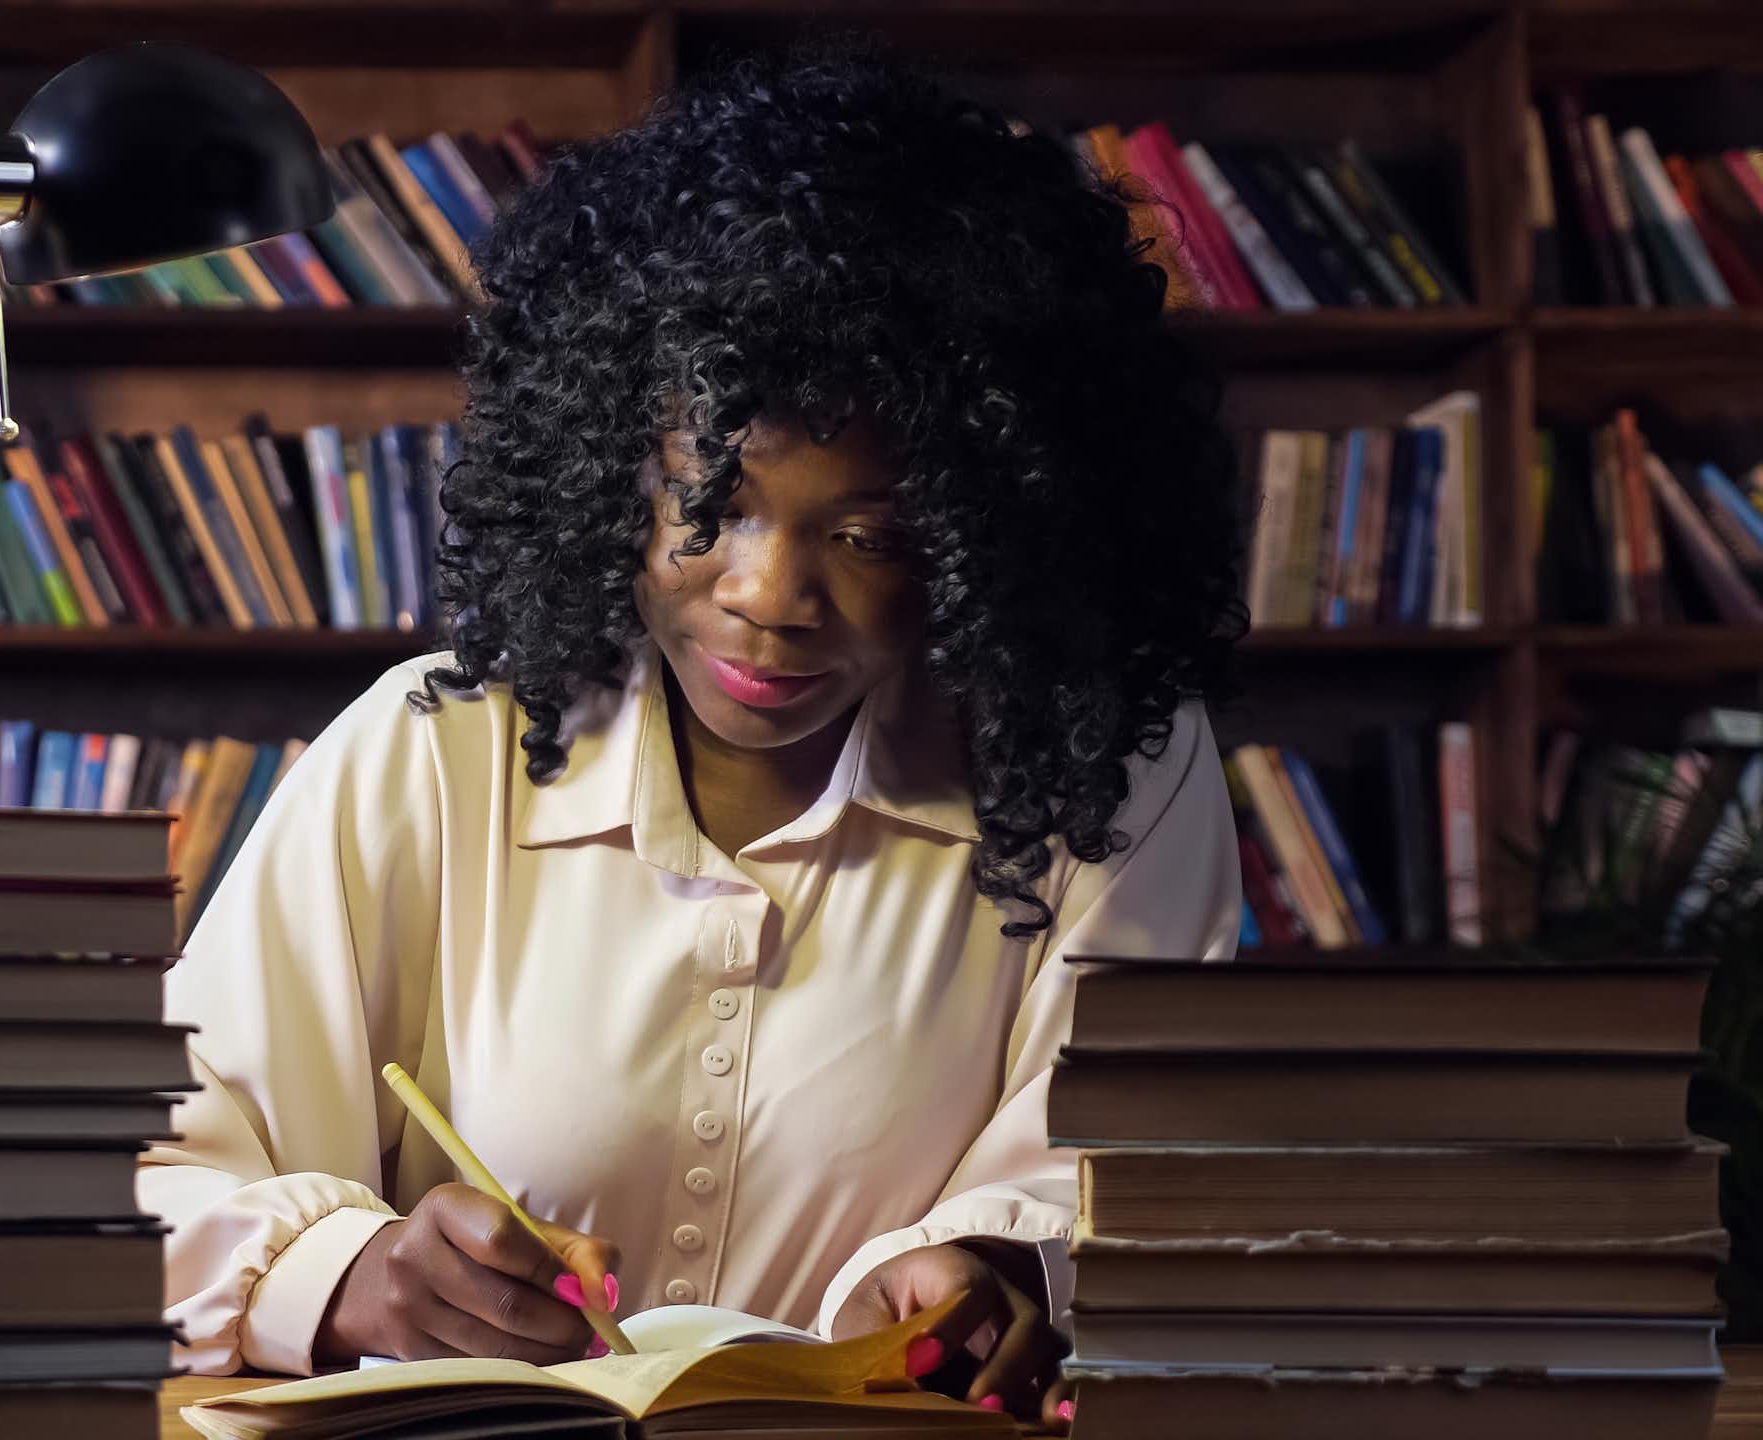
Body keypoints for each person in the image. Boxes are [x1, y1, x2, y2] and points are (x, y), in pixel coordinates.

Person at [138, 41, 1245, 1429]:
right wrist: (346, 1273)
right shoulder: (428, 754)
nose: (769, 599)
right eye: (705, 507)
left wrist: (990, 1266)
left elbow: (1126, 1171)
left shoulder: (1117, 772)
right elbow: (152, 1168)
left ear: (997, 537)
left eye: (871, 536)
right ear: (606, 470)